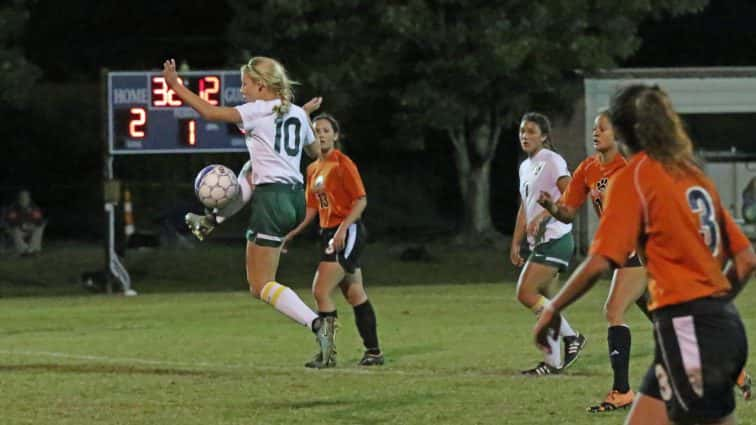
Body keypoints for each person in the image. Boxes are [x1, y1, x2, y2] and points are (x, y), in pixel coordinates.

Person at [534, 84, 756, 425]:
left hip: (689, 330)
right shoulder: (691, 174)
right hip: (713, 327)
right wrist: (715, 307)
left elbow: (599, 260)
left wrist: (554, 309)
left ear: (622, 130)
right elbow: (746, 260)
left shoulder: (633, 176)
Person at [162, 57, 336, 368]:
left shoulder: (256, 111)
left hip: (272, 202)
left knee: (260, 285)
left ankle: (317, 324)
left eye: (245, 84)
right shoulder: (296, 113)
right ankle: (211, 220)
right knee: (252, 168)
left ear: (261, 85)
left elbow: (209, 112)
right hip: (296, 199)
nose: (241, 90)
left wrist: (176, 86)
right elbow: (313, 152)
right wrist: (303, 117)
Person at [537, 111, 650, 411]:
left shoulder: (629, 166)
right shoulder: (588, 169)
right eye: (594, 128)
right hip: (625, 251)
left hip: (642, 250)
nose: (595, 133)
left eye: (603, 128)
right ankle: (732, 371)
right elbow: (568, 212)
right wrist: (552, 206)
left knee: (613, 311)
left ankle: (622, 391)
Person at [285, 113, 383, 367]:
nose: (321, 134)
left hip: (346, 232)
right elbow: (312, 209)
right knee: (354, 293)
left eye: (326, 130)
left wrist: (342, 230)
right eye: (316, 130)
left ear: (335, 135)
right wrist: (293, 233)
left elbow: (360, 200)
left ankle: (327, 355)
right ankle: (373, 352)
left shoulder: (343, 163)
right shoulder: (312, 168)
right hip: (329, 233)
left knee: (320, 290)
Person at [510, 112, 586, 376]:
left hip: (556, 238)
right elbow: (524, 206)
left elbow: (572, 193)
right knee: (545, 303)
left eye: (531, 131)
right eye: (522, 131)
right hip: (539, 243)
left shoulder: (552, 161)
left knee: (525, 293)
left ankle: (572, 337)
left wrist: (546, 212)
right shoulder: (525, 166)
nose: (525, 136)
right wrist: (516, 242)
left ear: (544, 136)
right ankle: (552, 363)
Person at [4, 190, 46, 256]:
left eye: (26, 197)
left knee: (40, 228)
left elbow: (39, 221)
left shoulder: (34, 207)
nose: (24, 199)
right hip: (18, 231)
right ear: (18, 199)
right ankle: (25, 250)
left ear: (29, 198)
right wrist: (21, 224)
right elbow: (11, 222)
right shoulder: (13, 208)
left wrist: (32, 224)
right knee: (15, 230)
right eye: (22, 197)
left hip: (29, 229)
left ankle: (31, 250)